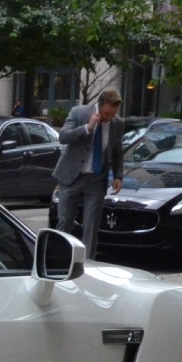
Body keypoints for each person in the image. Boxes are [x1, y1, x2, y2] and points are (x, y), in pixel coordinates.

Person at [53, 87, 124, 250]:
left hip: (96, 179)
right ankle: (58, 259)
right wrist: (87, 127)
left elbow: (117, 150)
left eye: (113, 114)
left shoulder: (117, 124)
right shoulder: (78, 113)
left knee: (91, 226)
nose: (109, 118)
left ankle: (87, 266)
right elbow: (63, 137)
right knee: (65, 222)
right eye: (106, 114)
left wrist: (118, 175)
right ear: (99, 106)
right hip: (71, 176)